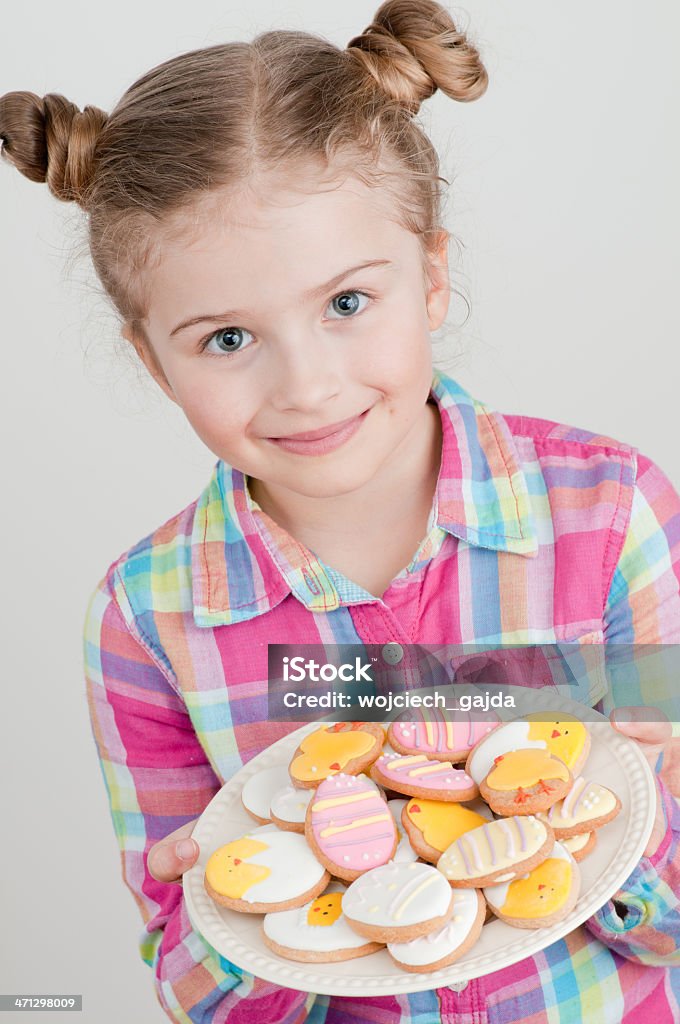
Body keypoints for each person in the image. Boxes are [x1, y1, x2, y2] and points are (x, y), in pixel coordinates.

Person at [1, 2, 678, 1021]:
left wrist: (620, 816)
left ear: (431, 276)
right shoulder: (147, 622)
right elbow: (190, 982)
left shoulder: (608, 516)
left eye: (346, 303)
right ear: (152, 360)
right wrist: (219, 917)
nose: (307, 386)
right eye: (225, 338)